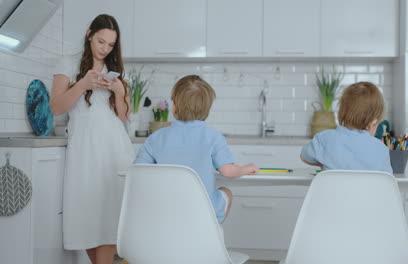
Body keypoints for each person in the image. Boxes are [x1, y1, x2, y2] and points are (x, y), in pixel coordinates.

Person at [50, 14, 134, 264]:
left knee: (108, 218)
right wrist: (83, 84)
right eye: (100, 41)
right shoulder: (67, 63)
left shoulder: (114, 70)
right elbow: (56, 107)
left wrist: (120, 93)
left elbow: (124, 116)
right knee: (86, 219)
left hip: (114, 152)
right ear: (89, 34)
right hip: (85, 152)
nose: (104, 49)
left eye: (110, 45)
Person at [134, 75, 259, 223]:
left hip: (165, 211)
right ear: (207, 109)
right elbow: (228, 171)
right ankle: (211, 234)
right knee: (227, 192)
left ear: (174, 106)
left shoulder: (156, 137)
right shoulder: (213, 137)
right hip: (203, 212)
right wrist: (246, 168)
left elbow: (138, 171)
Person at [301, 81, 393, 174]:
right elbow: (387, 179)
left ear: (342, 112)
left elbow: (304, 157)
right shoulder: (381, 150)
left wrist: (323, 162)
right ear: (374, 121)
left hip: (333, 189)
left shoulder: (324, 139)